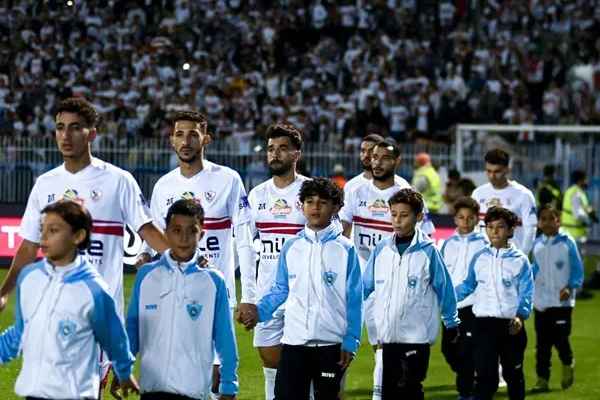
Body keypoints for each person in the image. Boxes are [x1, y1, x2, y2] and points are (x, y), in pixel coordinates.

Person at [0, 97, 168, 390]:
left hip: (98, 313)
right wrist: (3, 292)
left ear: (92, 133)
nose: (65, 135)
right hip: (54, 308)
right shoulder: (45, 184)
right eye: (60, 128)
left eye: (75, 128)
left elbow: (148, 229)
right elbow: (28, 247)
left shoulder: (118, 180)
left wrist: (184, 258)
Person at [141, 110, 254, 398]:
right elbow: (152, 242)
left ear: (206, 139)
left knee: (216, 378)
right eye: (180, 134)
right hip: (172, 295)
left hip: (216, 293)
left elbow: (244, 238)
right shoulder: (163, 186)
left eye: (193, 134)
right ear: (171, 141)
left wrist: (248, 295)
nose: (186, 140)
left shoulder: (228, 179)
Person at [0, 200, 138, 399]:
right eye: (42, 229)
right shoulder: (29, 278)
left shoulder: (95, 289)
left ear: (78, 236)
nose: (44, 237)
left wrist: (124, 372)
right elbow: (20, 334)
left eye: (53, 230)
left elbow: (115, 339)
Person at [242, 177, 363, 400]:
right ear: (301, 206)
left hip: (331, 345)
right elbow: (280, 290)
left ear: (335, 207)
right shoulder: (291, 246)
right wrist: (260, 312)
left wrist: (351, 340)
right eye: (309, 201)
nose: (315, 207)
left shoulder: (346, 249)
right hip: (294, 343)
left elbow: (355, 299)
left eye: (322, 202)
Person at [338, 138, 434, 399]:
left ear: (396, 161)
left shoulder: (406, 192)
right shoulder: (356, 189)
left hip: (390, 283)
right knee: (340, 341)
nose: (376, 162)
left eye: (383, 158)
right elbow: (342, 232)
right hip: (356, 280)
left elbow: (425, 238)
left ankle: (381, 394)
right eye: (373, 157)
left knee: (384, 345)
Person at [122, 199, 238, 400]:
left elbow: (225, 338)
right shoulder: (146, 276)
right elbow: (133, 327)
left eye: (191, 231)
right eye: (176, 230)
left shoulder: (213, 281)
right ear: (165, 233)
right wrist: (124, 369)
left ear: (201, 234)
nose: (184, 238)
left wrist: (229, 386)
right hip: (152, 389)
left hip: (194, 392)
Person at [363, 188, 460, 400]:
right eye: (394, 214)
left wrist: (451, 324)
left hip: (416, 337)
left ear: (418, 217)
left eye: (404, 215)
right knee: (389, 392)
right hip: (387, 337)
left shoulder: (428, 251)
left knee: (409, 387)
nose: (397, 220)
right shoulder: (381, 249)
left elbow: (445, 289)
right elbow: (364, 287)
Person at [241, 122, 308, 400]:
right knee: (270, 362)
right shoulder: (257, 195)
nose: (275, 154)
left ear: (296, 154)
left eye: (282, 149)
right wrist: (249, 296)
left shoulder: (311, 193)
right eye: (271, 149)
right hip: (268, 293)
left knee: (305, 366)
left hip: (305, 294)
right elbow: (244, 245)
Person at [455, 207, 534, 400]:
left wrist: (520, 316)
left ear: (510, 230)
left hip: (511, 325)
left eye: (500, 227)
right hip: (483, 325)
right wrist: (446, 296)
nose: (495, 231)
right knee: (485, 377)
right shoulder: (480, 257)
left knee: (513, 375)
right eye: (490, 227)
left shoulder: (520, 261)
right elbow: (467, 285)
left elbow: (527, 293)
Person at [530, 204, 583, 392]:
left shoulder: (568, 242)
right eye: (542, 219)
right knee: (542, 344)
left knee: (561, 339)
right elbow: (534, 271)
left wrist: (570, 287)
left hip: (562, 302)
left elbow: (577, 269)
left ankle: (568, 363)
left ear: (558, 220)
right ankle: (542, 380)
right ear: (538, 222)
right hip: (541, 302)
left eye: (550, 218)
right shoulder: (536, 245)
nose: (546, 223)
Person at [440, 196, 488, 400]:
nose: (465, 222)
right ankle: (474, 376)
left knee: (466, 350)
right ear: (455, 219)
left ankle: (466, 391)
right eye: (461, 217)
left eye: (470, 218)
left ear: (477, 219)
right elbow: (440, 273)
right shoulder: (447, 243)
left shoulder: (484, 244)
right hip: (451, 307)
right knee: (448, 350)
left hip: (474, 306)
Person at [471, 148, 538, 255]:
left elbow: (530, 229)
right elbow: (473, 227)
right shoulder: (477, 194)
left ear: (507, 169)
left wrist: (522, 255)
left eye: (497, 171)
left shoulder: (524, 195)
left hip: (511, 258)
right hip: (484, 258)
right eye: (488, 171)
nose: (492, 176)